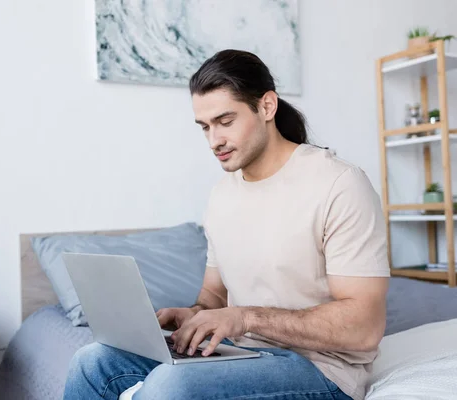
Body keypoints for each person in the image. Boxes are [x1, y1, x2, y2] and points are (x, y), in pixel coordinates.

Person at [63, 49, 390, 400]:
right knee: (92, 361)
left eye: (225, 121)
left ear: (267, 107)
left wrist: (245, 318)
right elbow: (214, 296)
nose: (213, 140)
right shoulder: (223, 196)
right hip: (239, 353)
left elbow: (364, 326)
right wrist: (192, 315)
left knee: (171, 386)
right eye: (204, 127)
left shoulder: (339, 183)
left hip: (321, 370)